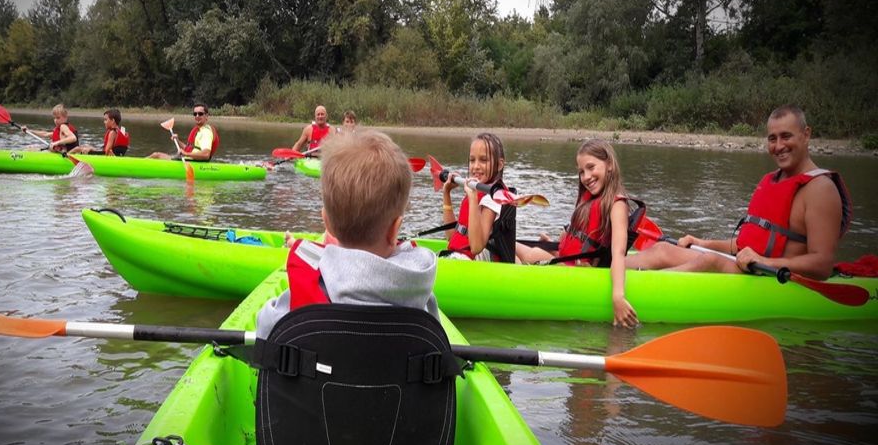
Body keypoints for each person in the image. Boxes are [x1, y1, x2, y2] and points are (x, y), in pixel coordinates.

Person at [626, 105, 852, 281]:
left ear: (806, 134)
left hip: (775, 278)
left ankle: (633, 287)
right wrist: (701, 242)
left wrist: (764, 261)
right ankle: (598, 269)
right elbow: (745, 245)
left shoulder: (821, 189)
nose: (778, 145)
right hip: (752, 267)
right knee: (665, 249)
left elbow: (822, 265)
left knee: (711, 261)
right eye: (772, 138)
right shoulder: (771, 181)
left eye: (786, 136)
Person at [256, 129, 439, 339]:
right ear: (395, 229)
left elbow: (264, 332)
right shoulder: (420, 294)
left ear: (327, 224)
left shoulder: (298, 296)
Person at [518, 140, 648, 328]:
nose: (586, 177)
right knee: (520, 248)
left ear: (609, 164)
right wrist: (557, 245)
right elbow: (580, 238)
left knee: (524, 253)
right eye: (581, 171)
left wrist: (618, 296)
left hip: (579, 273)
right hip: (566, 261)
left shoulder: (617, 204)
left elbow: (618, 253)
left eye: (591, 167)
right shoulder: (590, 199)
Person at [440, 132, 516, 263]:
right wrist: (446, 194)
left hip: (476, 261)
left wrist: (473, 198)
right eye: (472, 160)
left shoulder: (492, 198)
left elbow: (476, 247)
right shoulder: (476, 191)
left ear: (499, 164)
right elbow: (452, 236)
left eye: (483, 160)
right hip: (460, 255)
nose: (475, 166)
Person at [148, 103, 219, 161]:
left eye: (200, 114)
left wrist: (185, 154)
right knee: (156, 155)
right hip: (190, 159)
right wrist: (178, 141)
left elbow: (206, 155)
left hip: (195, 162)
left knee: (156, 156)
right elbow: (188, 148)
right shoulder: (199, 130)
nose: (197, 116)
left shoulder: (205, 132)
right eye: (195, 114)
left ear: (206, 116)